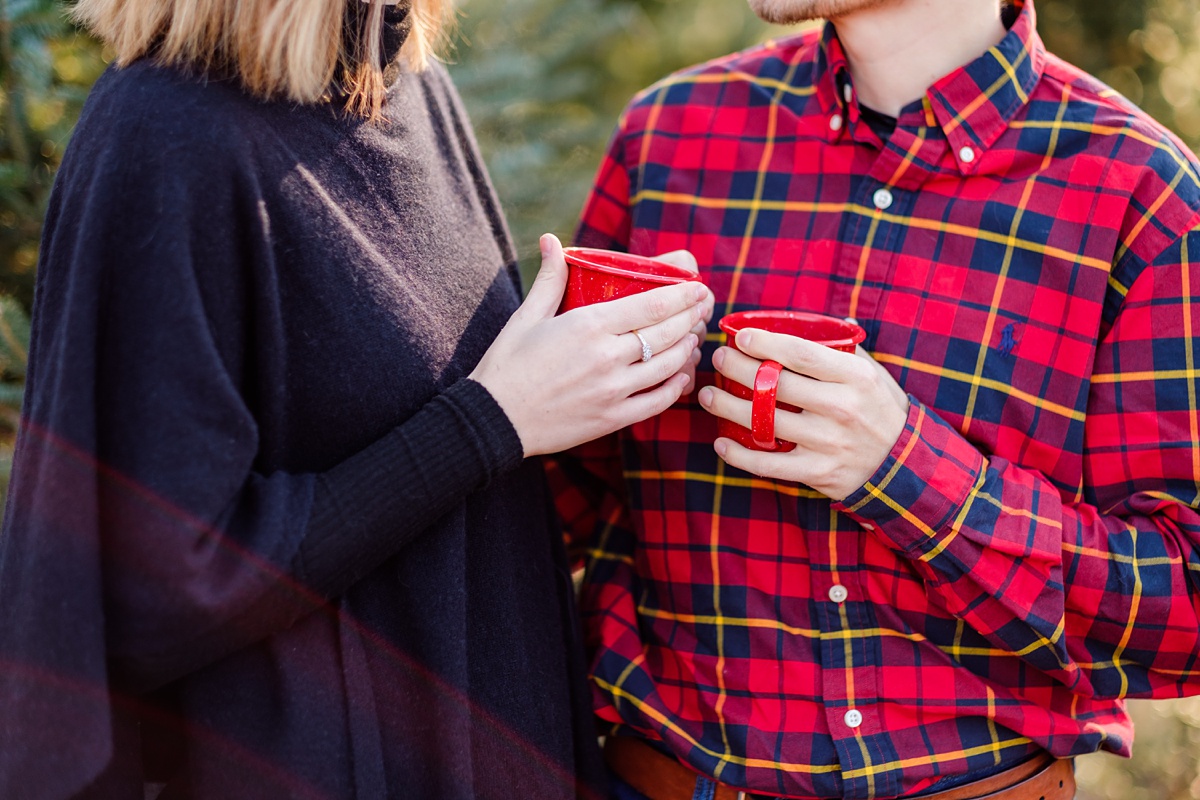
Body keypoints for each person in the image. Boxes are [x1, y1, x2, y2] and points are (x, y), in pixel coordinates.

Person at [0, 0, 715, 798]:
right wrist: (493, 421)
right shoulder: (166, 132)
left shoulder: (404, 78)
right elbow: (158, 584)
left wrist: (587, 378)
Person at [549, 0, 1200, 798]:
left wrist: (905, 468)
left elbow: (1186, 608)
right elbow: (564, 500)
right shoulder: (671, 133)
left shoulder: (1141, 193)